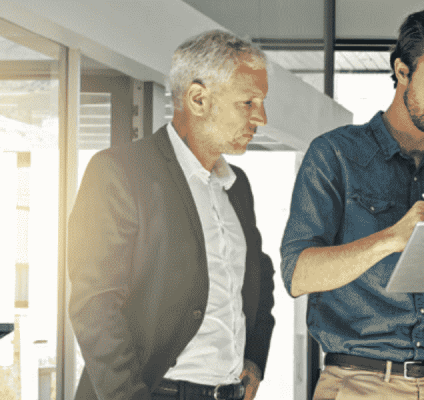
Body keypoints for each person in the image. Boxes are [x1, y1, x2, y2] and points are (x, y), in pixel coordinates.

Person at [280, 6, 424, 400]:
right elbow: (298, 274)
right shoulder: (334, 155)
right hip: (358, 383)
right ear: (401, 71)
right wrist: (392, 238)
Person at [68, 30, 275, 400]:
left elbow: (260, 275)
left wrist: (255, 359)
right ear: (198, 98)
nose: (260, 117)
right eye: (248, 102)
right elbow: (94, 306)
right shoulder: (119, 171)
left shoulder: (236, 185)